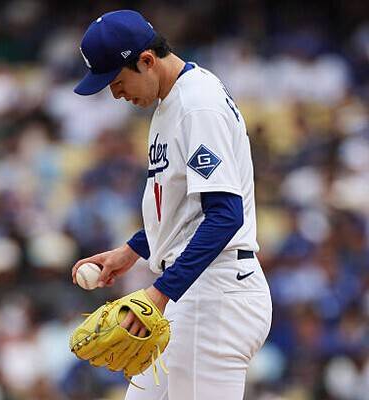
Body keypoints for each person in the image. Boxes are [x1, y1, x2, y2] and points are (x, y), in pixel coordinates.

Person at [71, 10, 272, 400]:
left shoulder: (196, 104)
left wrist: (159, 294)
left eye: (117, 81)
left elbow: (225, 215)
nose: (115, 94)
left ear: (147, 60)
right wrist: (132, 251)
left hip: (213, 295)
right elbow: (185, 211)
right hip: (192, 290)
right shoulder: (173, 102)